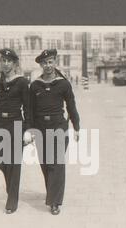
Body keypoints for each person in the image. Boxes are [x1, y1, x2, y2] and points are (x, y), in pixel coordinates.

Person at [29, 49, 80, 215]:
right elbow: (29, 110)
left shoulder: (63, 84)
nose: (48, 65)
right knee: (45, 164)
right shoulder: (35, 85)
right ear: (41, 65)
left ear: (55, 62)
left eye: (50, 62)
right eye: (44, 63)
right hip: (40, 129)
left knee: (56, 164)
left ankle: (55, 202)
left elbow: (71, 107)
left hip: (58, 127)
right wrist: (29, 130)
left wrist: (77, 127)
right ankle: (52, 193)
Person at [0, 48, 32, 214]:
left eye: (8, 61)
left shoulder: (22, 83)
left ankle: (12, 200)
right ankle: (12, 189)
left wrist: (28, 131)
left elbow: (28, 108)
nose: (5, 64)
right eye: (3, 60)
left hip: (16, 124)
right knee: (0, 159)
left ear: (14, 63)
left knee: (14, 163)